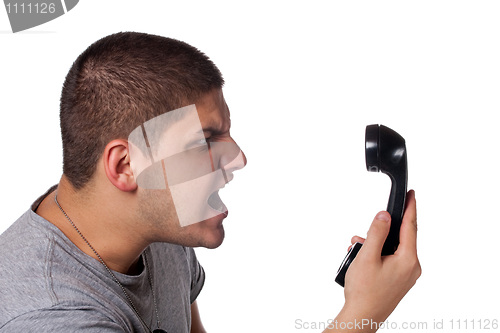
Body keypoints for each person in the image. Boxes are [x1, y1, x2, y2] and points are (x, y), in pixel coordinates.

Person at [0, 32, 420, 333]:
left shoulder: (155, 228)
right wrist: (363, 313)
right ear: (126, 165)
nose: (238, 158)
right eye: (205, 140)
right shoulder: (51, 315)